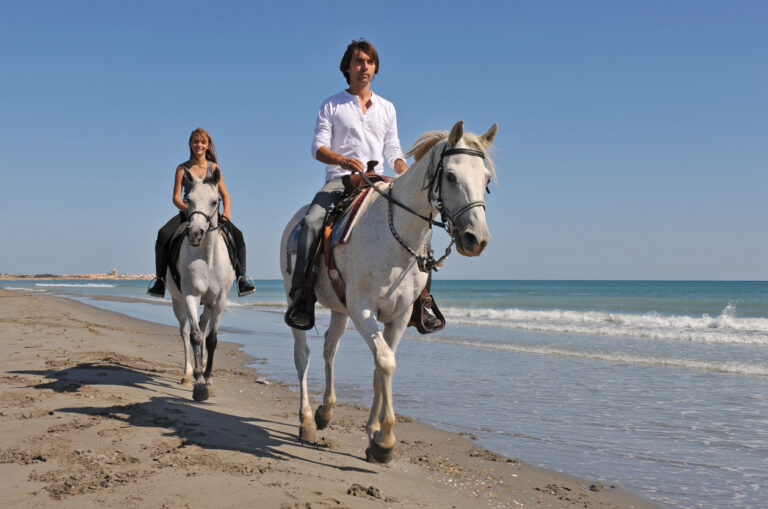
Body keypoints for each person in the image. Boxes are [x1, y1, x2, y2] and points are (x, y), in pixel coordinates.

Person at [284, 39, 441, 331]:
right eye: (358, 61)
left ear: (375, 67)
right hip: (339, 181)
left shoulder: (387, 108)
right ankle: (302, 297)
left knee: (422, 223)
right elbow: (318, 148)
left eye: (369, 62)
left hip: (377, 182)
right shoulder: (332, 104)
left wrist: (402, 169)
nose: (364, 66)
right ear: (347, 68)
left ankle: (422, 300)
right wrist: (343, 161)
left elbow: (393, 148)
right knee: (311, 222)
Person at [148, 128, 255, 298]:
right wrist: (189, 210)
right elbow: (176, 197)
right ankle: (160, 280)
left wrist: (226, 211)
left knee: (239, 236)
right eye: (196, 141)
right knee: (162, 235)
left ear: (208, 145)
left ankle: (241, 278)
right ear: (190, 144)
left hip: (212, 215)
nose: (199, 145)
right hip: (187, 214)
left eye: (203, 142)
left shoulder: (213, 168)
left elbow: (225, 195)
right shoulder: (182, 168)